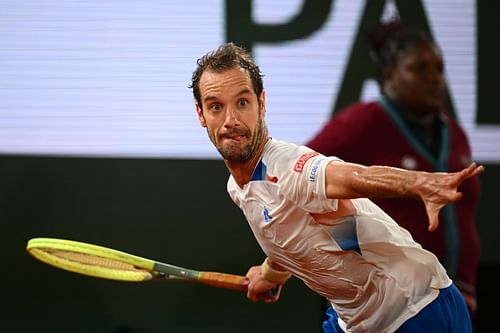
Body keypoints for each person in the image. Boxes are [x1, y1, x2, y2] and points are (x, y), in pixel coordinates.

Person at [189, 42, 484, 333]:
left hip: (417, 309)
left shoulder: (287, 168)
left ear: (261, 103)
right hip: (355, 319)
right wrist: (271, 273)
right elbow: (287, 230)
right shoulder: (238, 188)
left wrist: (418, 182)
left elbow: (348, 176)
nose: (231, 120)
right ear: (201, 115)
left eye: (242, 103)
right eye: (216, 107)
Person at [306, 21, 481, 316]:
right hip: (386, 302)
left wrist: (462, 288)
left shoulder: (454, 132)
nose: (435, 78)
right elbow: (300, 178)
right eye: (420, 69)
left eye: (438, 68)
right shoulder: (361, 123)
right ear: (389, 76)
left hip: (451, 297)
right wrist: (350, 258)